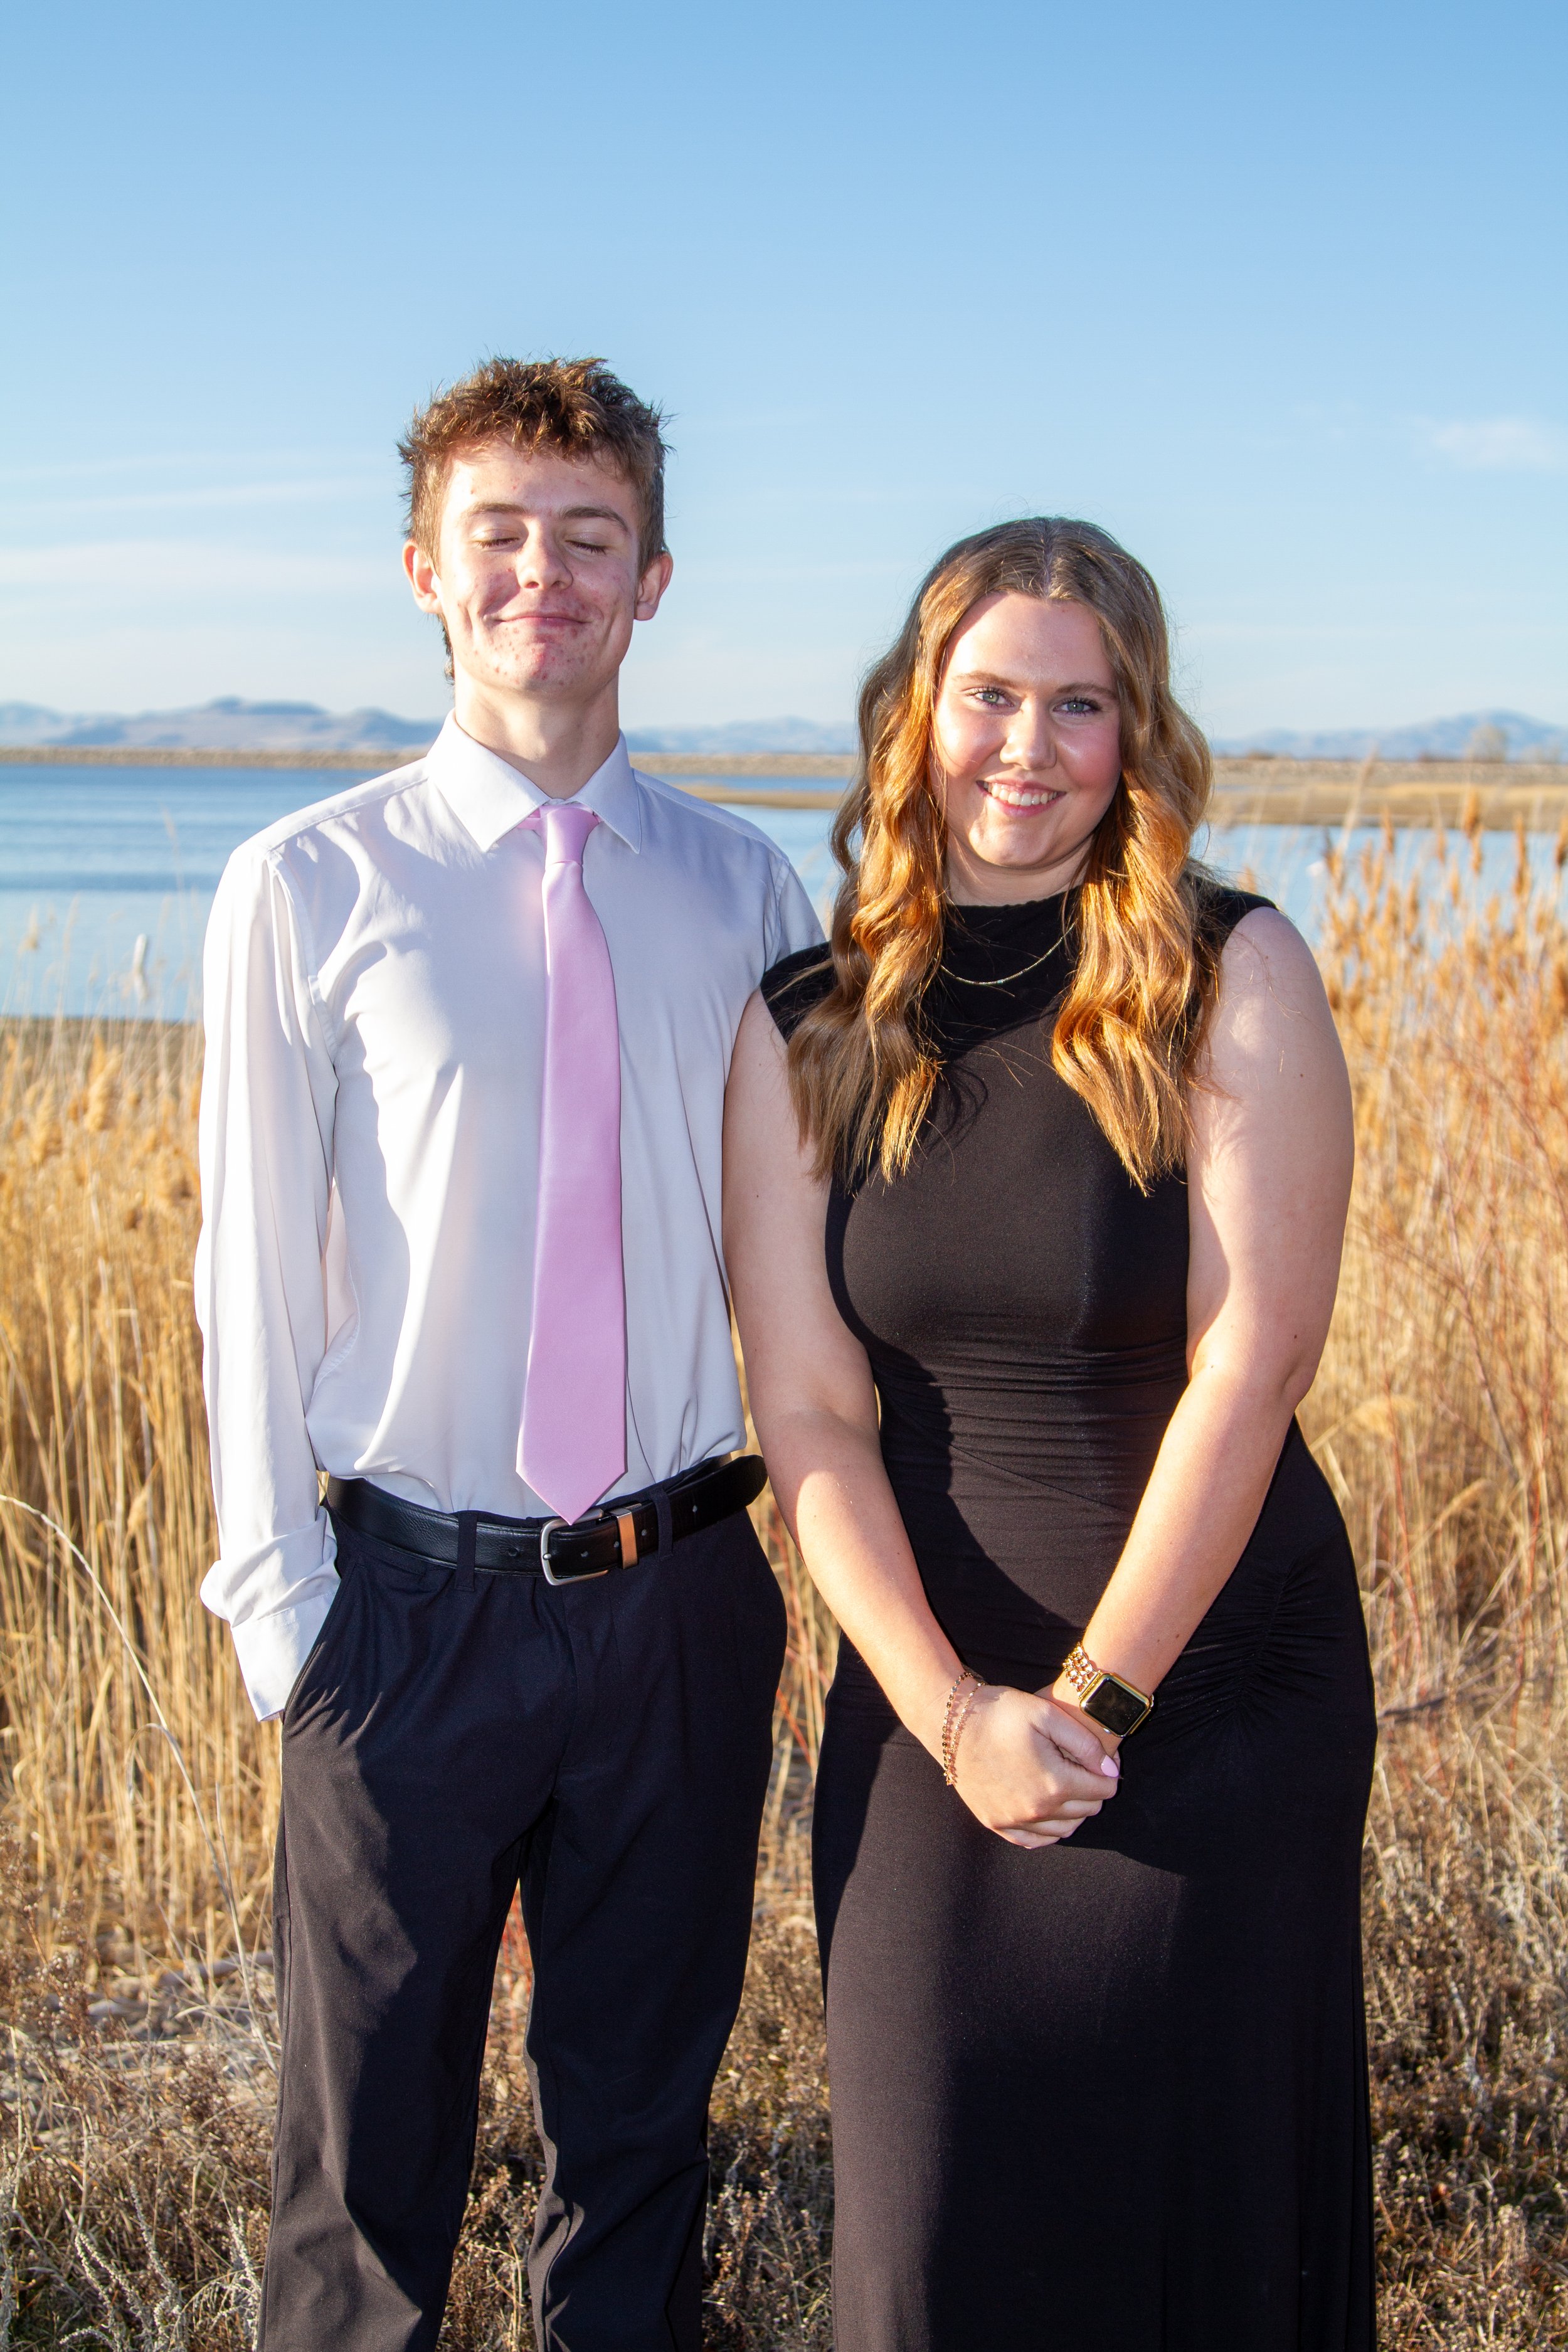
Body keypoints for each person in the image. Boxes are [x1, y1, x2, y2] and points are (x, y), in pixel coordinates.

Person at [195, 356, 821, 2352]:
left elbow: (795, 1262)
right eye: (498, 535)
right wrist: (279, 1611)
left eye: (588, 536)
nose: (541, 571)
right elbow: (248, 1278)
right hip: (403, 1613)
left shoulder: (745, 890)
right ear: (421, 572)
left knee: (638, 2141)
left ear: (651, 580)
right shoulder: (305, 884)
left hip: (678, 1607)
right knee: (362, 2178)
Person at [724, 518, 1376, 2349]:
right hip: (928, 1692)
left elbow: (1250, 1367)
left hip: (1209, 1686)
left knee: (1194, 2217)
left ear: (1134, 735)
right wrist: (950, 1715)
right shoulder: (809, 1024)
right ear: (912, 718)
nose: (1026, 745)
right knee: (932, 2234)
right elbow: (808, 1410)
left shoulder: (1227, 974)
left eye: (1076, 705)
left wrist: (1086, 1714)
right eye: (988, 694)